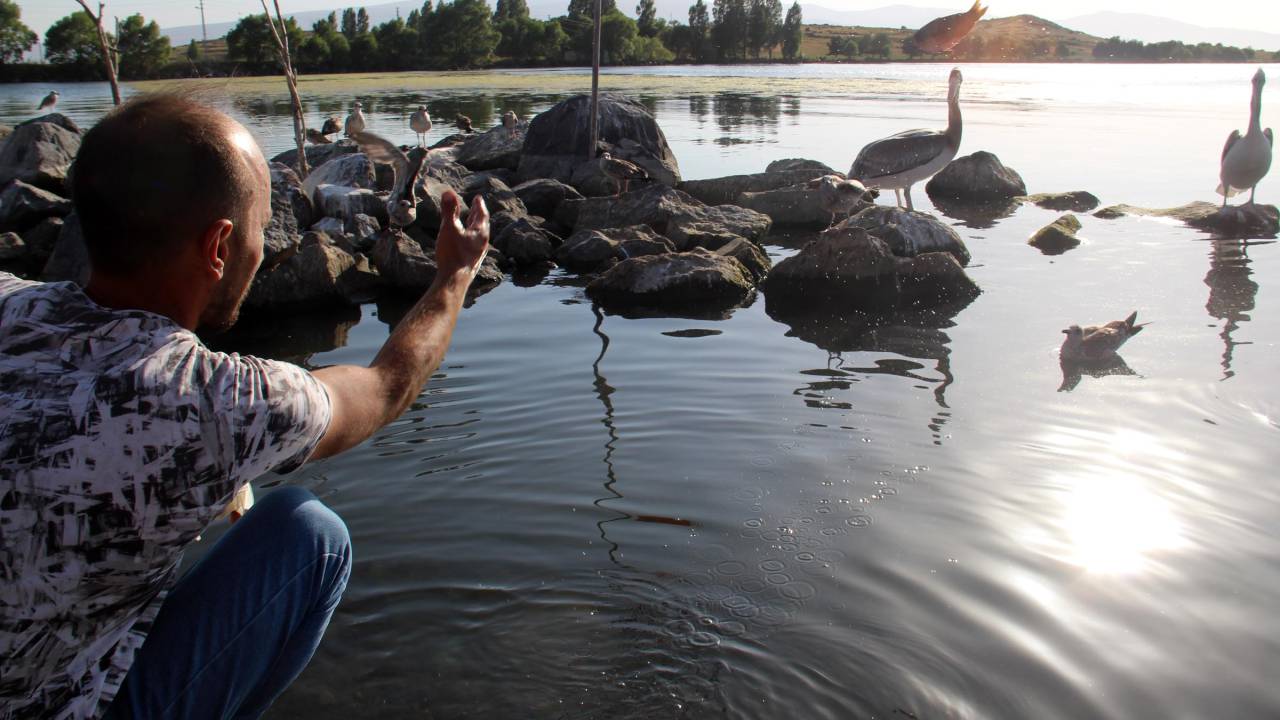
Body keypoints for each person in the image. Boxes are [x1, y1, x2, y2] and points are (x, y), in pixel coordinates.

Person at [0, 94, 491, 719]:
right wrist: (453, 275)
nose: (263, 250)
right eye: (262, 227)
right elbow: (388, 384)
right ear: (218, 246)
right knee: (310, 535)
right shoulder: (218, 400)